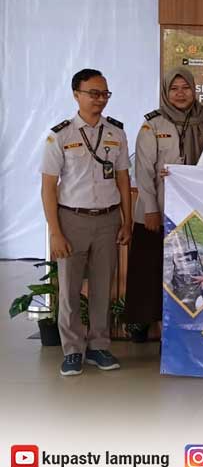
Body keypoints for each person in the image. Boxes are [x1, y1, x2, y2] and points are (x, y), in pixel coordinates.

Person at [123, 68, 203, 342]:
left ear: (194, 89)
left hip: (195, 211)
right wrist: (150, 209)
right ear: (166, 92)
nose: (180, 94)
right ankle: (144, 324)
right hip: (157, 209)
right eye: (174, 88)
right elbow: (143, 170)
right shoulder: (153, 125)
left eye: (186, 88)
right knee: (150, 270)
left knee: (188, 271)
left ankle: (184, 327)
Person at [41, 68, 132, 376]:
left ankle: (98, 347)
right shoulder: (60, 135)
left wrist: (126, 221)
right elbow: (48, 187)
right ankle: (72, 350)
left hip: (108, 219)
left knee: (103, 287)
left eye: (105, 93)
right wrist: (55, 232)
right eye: (94, 93)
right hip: (72, 219)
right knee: (69, 289)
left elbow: (123, 179)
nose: (100, 99)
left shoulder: (116, 133)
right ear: (76, 95)